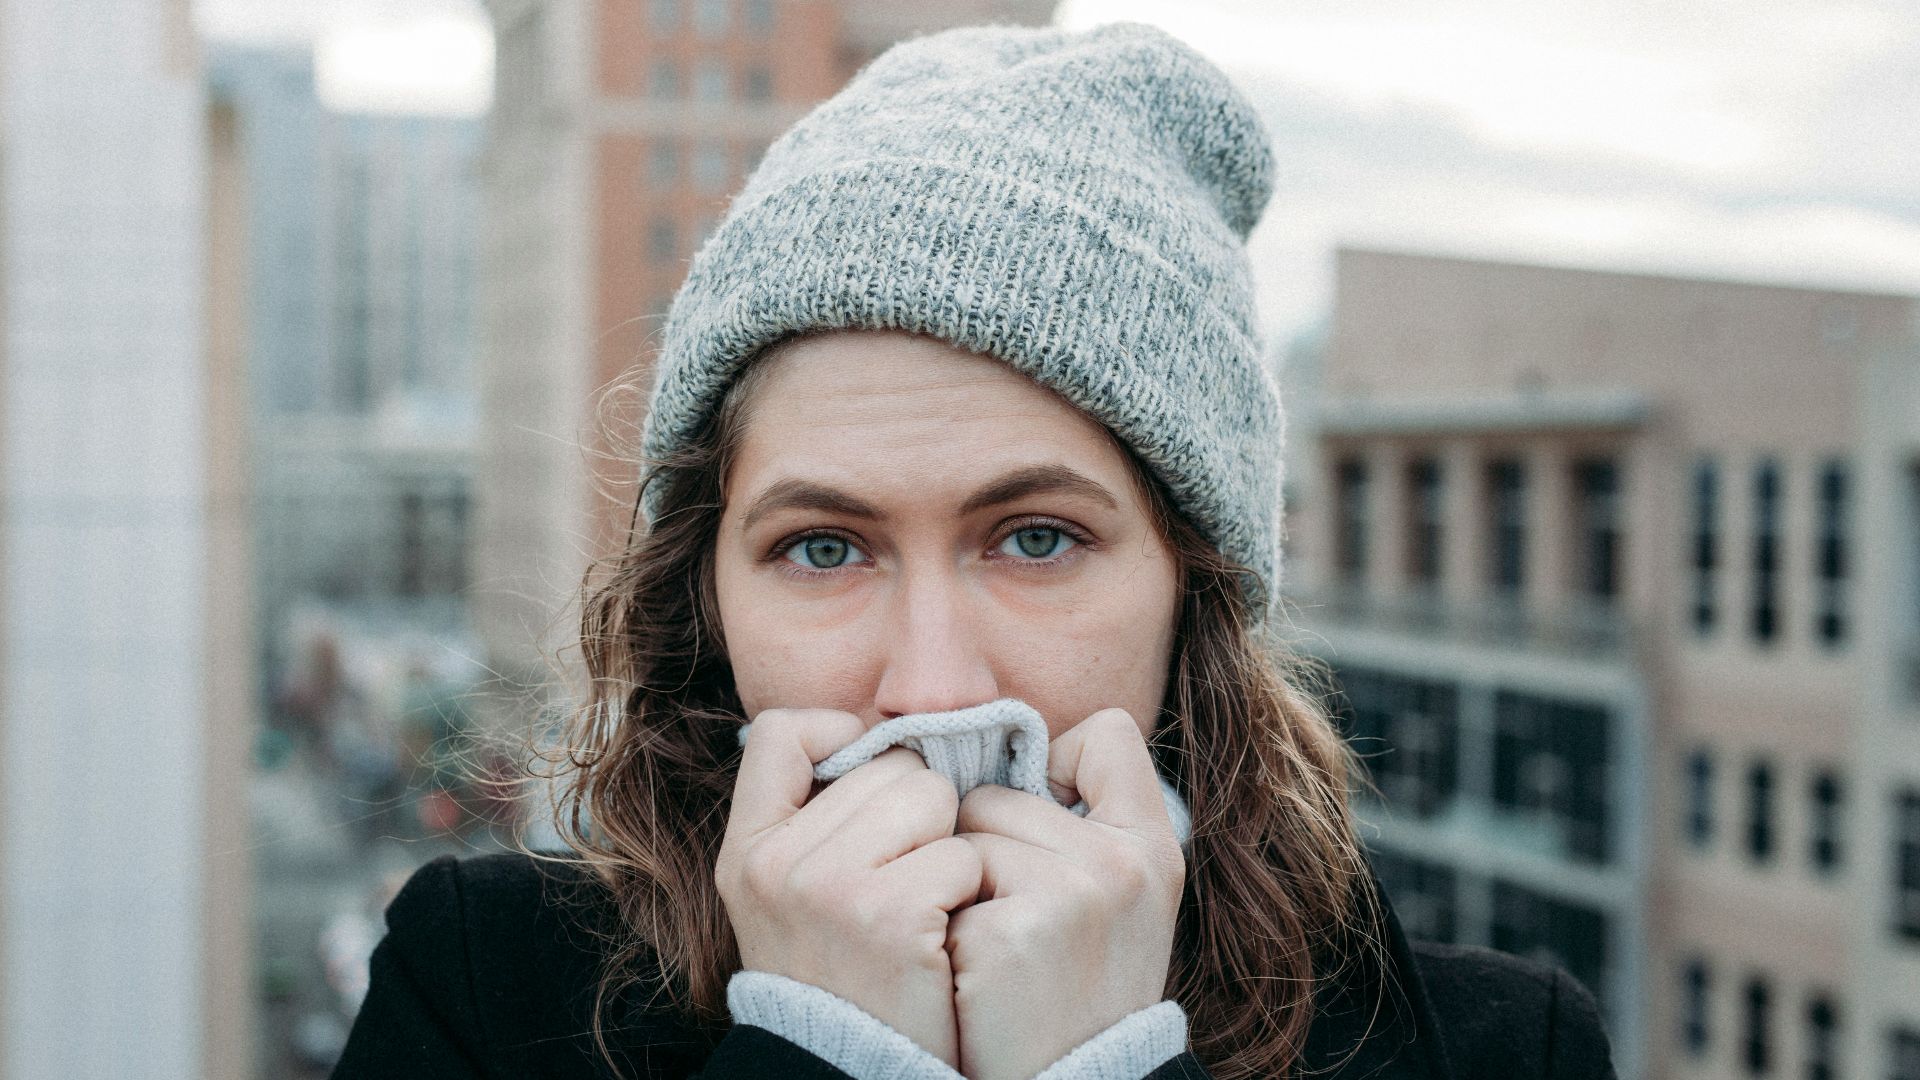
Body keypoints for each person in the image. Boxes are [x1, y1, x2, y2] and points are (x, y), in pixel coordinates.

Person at [332, 21, 1617, 1080]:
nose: (934, 689)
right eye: (824, 548)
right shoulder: (480, 989)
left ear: (1196, 590)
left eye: (1036, 539)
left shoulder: (1504, 1052)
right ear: (704, 595)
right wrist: (818, 1054)